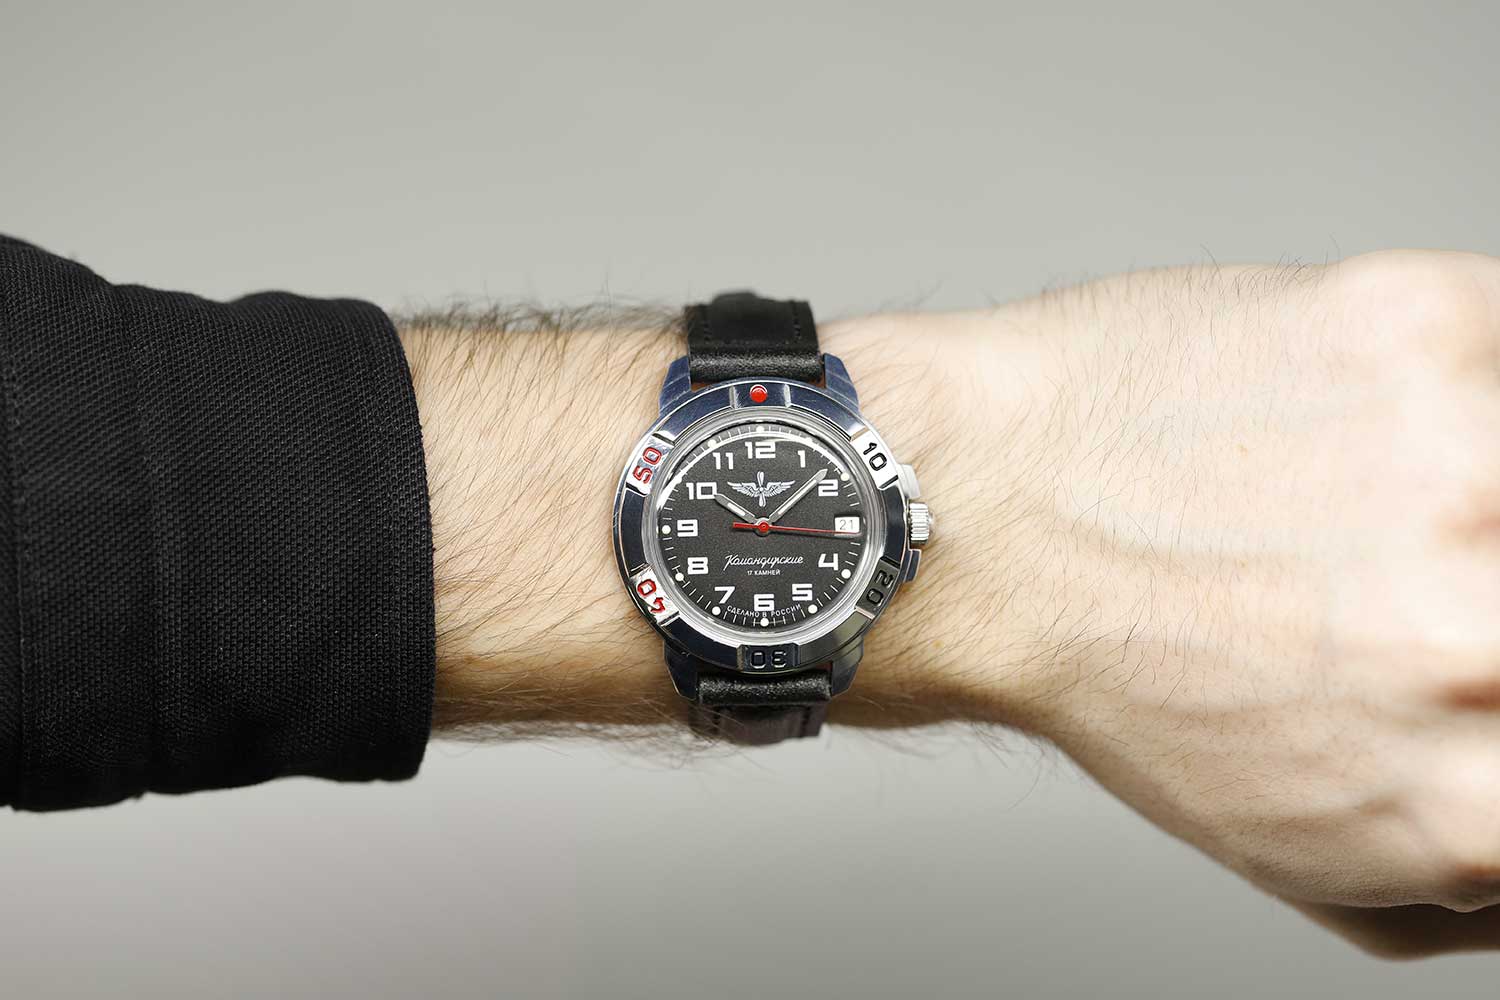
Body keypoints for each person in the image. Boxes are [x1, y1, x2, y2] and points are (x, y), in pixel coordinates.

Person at [2, 234, 1497, 958]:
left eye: (807, 510)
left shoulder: (863, 525)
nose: (776, 522)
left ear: (892, 526)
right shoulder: (708, 516)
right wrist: (1029, 496)